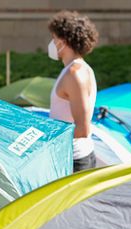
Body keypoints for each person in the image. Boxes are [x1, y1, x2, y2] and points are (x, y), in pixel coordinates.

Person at [48, 10, 99, 172]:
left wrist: (46, 140)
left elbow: (82, 129)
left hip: (74, 160)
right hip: (72, 157)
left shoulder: (74, 73)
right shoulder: (77, 69)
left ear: (63, 41)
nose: (52, 43)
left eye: (54, 38)